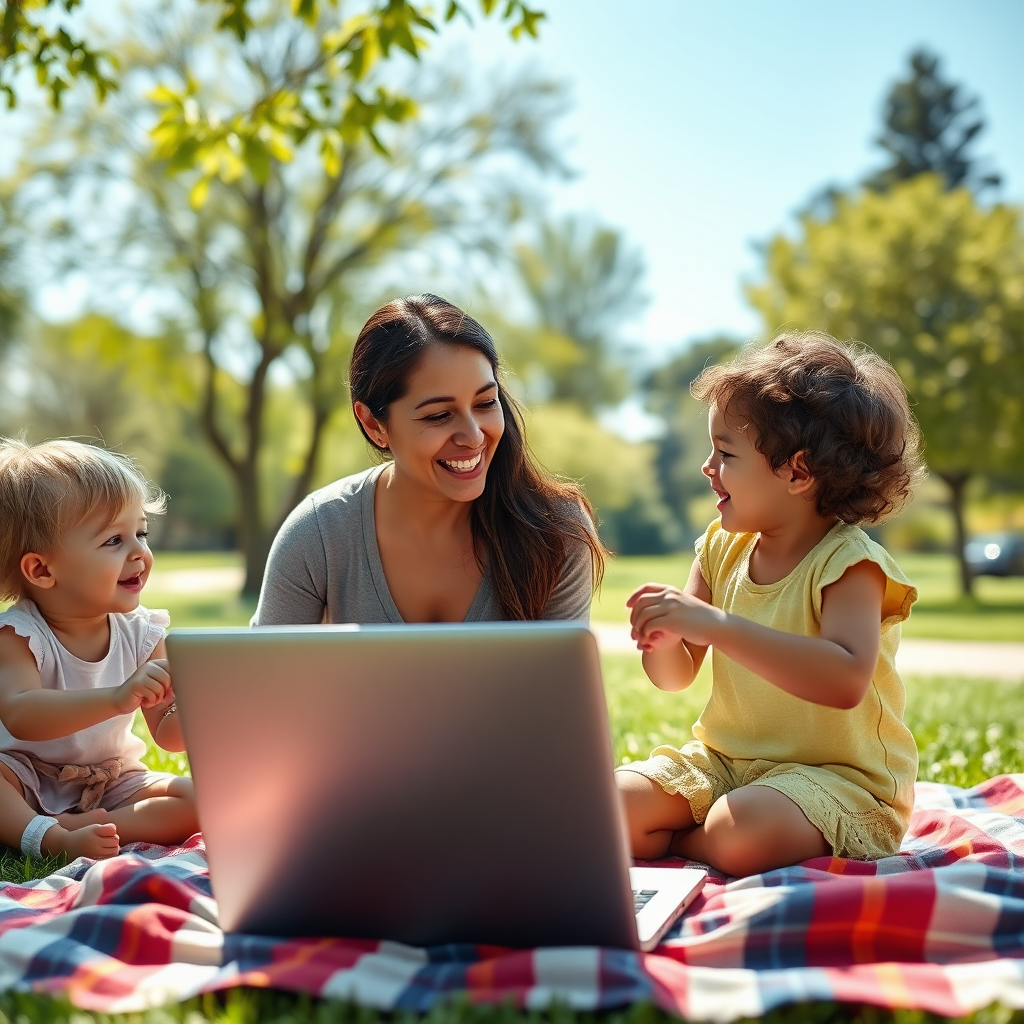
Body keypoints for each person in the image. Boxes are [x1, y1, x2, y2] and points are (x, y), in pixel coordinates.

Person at [617, 333, 923, 877]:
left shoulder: (849, 565)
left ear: (798, 473)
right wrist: (661, 640)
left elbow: (844, 679)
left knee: (741, 831)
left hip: (838, 781)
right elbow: (675, 676)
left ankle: (685, 840)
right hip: (728, 765)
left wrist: (717, 626)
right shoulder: (720, 546)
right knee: (612, 804)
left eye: (726, 453)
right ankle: (697, 835)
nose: (708, 467)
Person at [254, 294, 606, 626]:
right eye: (439, 415)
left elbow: (560, 688)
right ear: (374, 424)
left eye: (485, 403)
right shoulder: (318, 535)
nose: (474, 436)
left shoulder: (556, 533)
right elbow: (265, 681)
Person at [0, 439, 199, 861]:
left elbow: (168, 733)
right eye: (114, 541)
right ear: (42, 569)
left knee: (201, 799)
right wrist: (115, 697)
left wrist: (202, 704)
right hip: (23, 775)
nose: (140, 553)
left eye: (140, 532)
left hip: (110, 778)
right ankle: (43, 836)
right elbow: (21, 716)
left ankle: (75, 827)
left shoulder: (143, 631)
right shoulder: (19, 634)